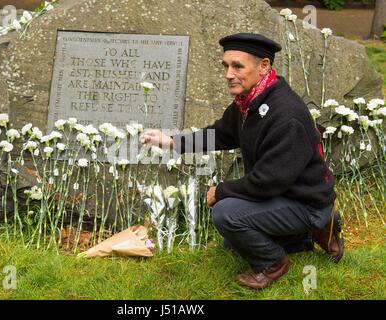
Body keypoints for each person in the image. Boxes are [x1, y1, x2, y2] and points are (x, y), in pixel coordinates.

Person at [140, 33, 344, 290]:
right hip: (286, 194)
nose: (228, 73)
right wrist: (171, 141)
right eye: (225, 65)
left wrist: (221, 191)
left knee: (227, 214)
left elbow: (268, 182)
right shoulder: (250, 101)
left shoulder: (285, 114)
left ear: (264, 66)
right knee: (233, 241)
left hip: (305, 202)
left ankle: (274, 263)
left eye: (237, 66)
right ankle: (310, 235)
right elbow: (221, 134)